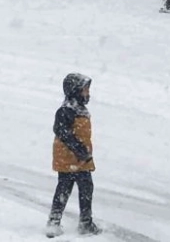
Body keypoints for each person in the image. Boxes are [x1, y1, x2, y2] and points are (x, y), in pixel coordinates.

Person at [45, 73, 101, 238]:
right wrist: (79, 149)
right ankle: (70, 222)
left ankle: (72, 222)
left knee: (81, 188)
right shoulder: (66, 110)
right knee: (67, 188)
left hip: (79, 158)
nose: (87, 93)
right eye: (84, 90)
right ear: (75, 91)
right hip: (70, 158)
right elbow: (62, 131)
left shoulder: (80, 110)